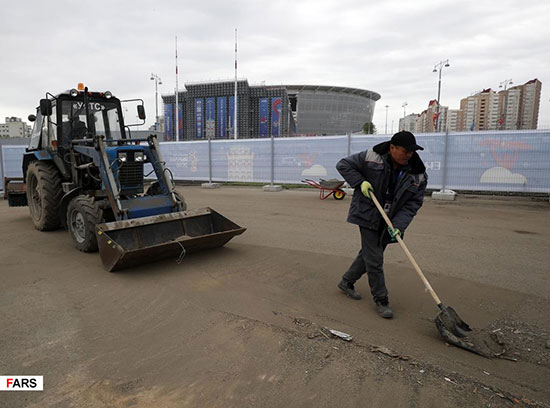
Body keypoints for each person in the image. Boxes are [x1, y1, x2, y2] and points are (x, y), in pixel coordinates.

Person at [336, 131, 428, 319]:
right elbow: (343, 165)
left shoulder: (418, 174)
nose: (409, 155)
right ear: (392, 148)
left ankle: (346, 282)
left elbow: (412, 204)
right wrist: (360, 182)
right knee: (375, 258)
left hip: (390, 220)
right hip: (368, 214)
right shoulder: (372, 157)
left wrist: (399, 226)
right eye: (405, 151)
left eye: (412, 151)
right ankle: (381, 298)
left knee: (369, 255)